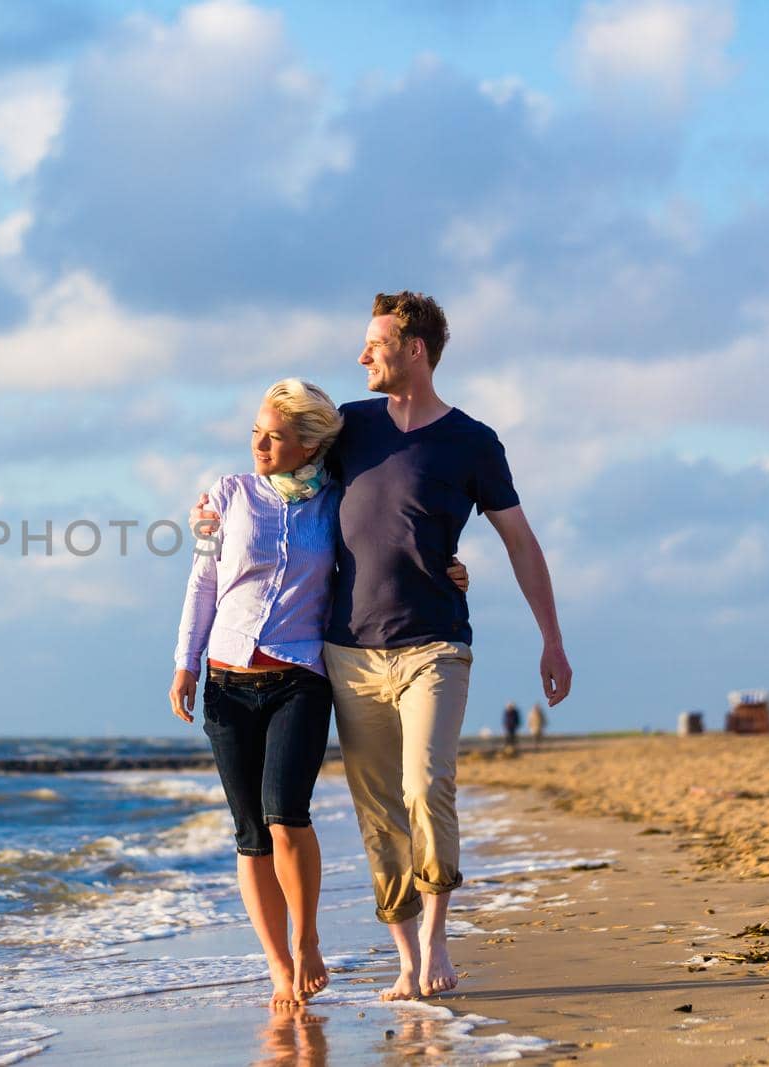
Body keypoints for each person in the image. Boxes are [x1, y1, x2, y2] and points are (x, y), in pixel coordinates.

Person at [193, 291, 571, 1002]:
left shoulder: (473, 442)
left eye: (375, 343)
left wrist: (551, 636)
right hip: (348, 649)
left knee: (425, 785)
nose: (362, 355)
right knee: (378, 810)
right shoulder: (353, 428)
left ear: (414, 349)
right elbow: (282, 473)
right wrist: (212, 513)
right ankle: (404, 955)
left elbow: (519, 539)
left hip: (435, 643)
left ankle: (435, 937)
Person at [169, 378, 469, 1010]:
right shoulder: (229, 495)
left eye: (274, 436)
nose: (259, 444)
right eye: (256, 431)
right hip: (226, 679)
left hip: (300, 676)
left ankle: (307, 941)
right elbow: (202, 582)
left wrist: (446, 568)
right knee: (249, 831)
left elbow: (381, 551)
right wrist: (185, 664)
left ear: (308, 444)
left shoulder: (335, 502)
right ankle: (278, 967)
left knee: (287, 816)